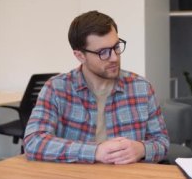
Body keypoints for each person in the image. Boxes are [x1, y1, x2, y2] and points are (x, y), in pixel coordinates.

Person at [24, 11, 169, 164]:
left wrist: (141, 149)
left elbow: (162, 142)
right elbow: (34, 142)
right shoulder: (56, 89)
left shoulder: (141, 88)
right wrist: (95, 152)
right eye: (103, 52)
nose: (114, 57)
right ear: (80, 56)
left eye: (116, 47)